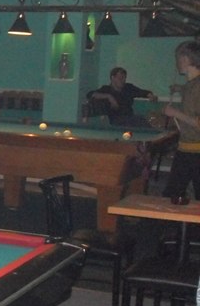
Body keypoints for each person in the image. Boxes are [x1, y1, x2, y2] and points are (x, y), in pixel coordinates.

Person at [163, 41, 200, 200]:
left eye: (178, 58)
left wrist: (175, 113)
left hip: (195, 152)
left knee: (172, 196)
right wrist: (179, 88)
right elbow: (189, 90)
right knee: (172, 194)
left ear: (185, 59)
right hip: (186, 148)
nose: (177, 63)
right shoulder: (191, 84)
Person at [86, 67, 157, 126]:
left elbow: (142, 92)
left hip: (130, 117)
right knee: (140, 120)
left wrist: (150, 95)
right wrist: (109, 96)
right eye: (120, 78)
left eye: (124, 78)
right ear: (113, 78)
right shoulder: (106, 89)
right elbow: (90, 94)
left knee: (145, 119)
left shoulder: (128, 87)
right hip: (116, 120)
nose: (123, 80)